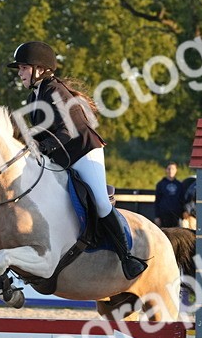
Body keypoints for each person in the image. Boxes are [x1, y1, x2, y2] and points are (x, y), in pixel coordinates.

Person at [10, 41, 147, 279]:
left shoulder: (55, 90)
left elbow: (69, 128)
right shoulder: (36, 94)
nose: (19, 73)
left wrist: (43, 145)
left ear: (40, 68)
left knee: (102, 204)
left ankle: (127, 256)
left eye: (23, 67)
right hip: (61, 156)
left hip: (83, 152)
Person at [154, 162, 185, 228]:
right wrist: (157, 217)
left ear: (176, 170)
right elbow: (157, 201)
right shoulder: (160, 184)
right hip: (164, 216)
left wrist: (183, 216)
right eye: (169, 169)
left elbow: (182, 200)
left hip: (176, 216)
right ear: (166, 170)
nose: (171, 171)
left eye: (173, 169)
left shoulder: (179, 185)